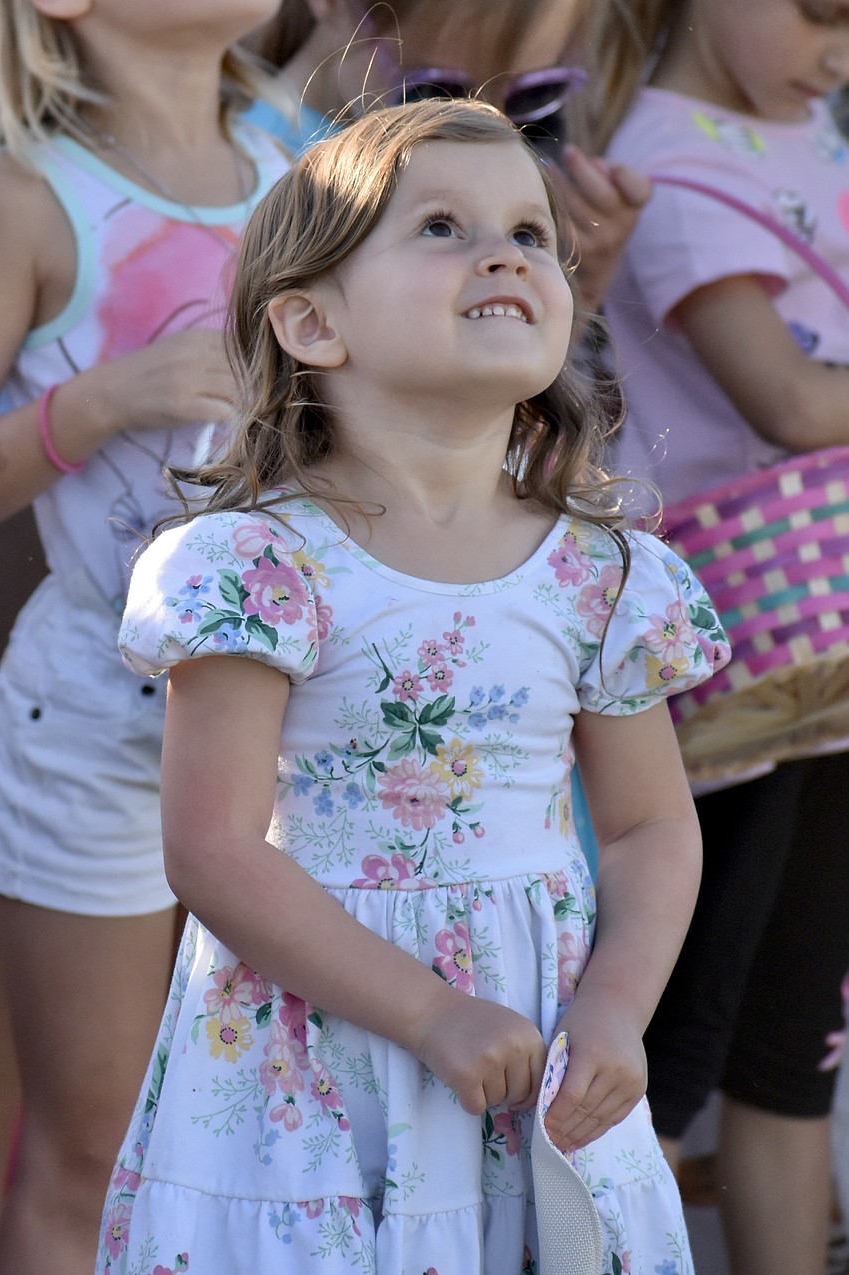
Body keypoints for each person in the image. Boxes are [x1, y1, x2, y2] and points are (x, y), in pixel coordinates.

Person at [95, 97, 730, 1274]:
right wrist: (428, 1011)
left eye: (530, 234)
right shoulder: (259, 566)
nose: (505, 254)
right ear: (312, 322)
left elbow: (647, 827)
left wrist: (616, 1009)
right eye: (441, 227)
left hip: (537, 1045)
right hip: (314, 1063)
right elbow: (214, 850)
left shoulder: (603, 574)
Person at [0, 1, 291, 1270]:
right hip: (99, 718)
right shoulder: (29, 199)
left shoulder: (313, 164)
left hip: (301, 717)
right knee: (95, 1153)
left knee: (273, 1143)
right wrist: (99, 400)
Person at [583, 2, 849, 1273]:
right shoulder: (663, 166)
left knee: (796, 1040)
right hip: (729, 662)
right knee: (671, 1043)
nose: (838, 54)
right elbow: (787, 400)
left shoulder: (806, 128)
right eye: (821, 13)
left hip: (820, 660)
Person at [240, 0, 652, 315]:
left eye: (533, 95)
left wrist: (582, 282)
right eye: (436, 94)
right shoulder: (239, 176)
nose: (494, 129)